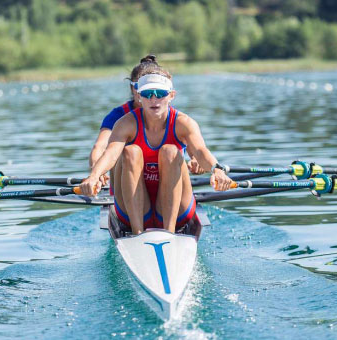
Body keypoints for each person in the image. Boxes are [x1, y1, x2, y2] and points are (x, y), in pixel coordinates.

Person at [80, 68, 234, 234]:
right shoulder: (125, 123)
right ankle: (137, 233)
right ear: (139, 96)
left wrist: (216, 170)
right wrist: (94, 176)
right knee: (130, 152)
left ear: (171, 95)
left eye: (160, 93)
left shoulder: (184, 123)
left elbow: (200, 150)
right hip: (134, 211)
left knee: (170, 151)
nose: (154, 99)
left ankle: (169, 233)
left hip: (178, 211)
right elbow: (110, 153)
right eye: (147, 94)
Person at [88, 55, 206, 193]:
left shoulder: (177, 120)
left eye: (159, 91)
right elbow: (100, 147)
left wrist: (198, 162)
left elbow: (197, 151)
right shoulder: (118, 117)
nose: (152, 95)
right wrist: (97, 173)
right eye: (142, 88)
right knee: (128, 154)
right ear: (134, 90)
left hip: (166, 186)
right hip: (129, 187)